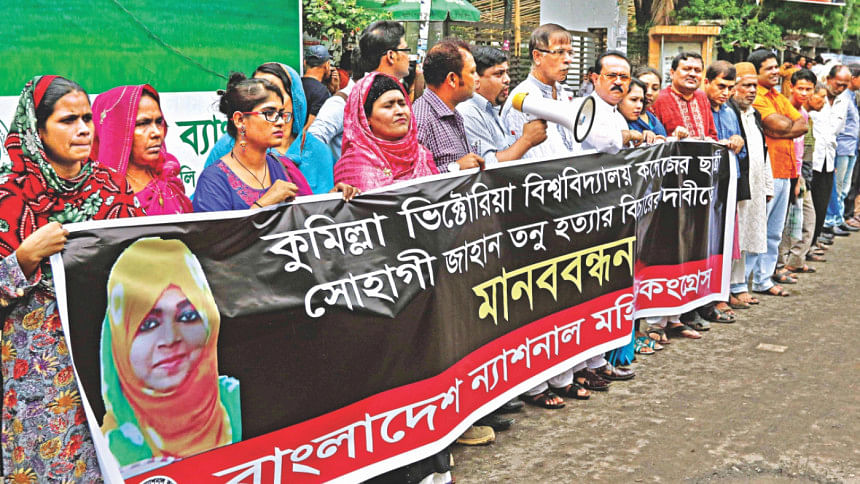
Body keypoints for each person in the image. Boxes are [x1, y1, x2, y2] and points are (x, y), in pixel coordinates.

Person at [1, 75, 140, 481]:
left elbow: (144, 261)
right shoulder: (10, 200)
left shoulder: (112, 187)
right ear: (37, 130)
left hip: (110, 368)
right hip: (42, 384)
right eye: (67, 120)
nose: (82, 129)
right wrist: (24, 258)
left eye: (87, 118)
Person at [99, 238, 240, 476]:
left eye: (187, 317)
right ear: (120, 339)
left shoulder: (241, 401)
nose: (170, 338)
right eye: (148, 324)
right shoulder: (103, 452)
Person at [193, 74, 357, 212]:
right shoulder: (213, 182)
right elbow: (215, 239)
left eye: (281, 114)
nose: (280, 122)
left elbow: (306, 217)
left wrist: (334, 199)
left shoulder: (283, 166)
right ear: (240, 120)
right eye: (269, 113)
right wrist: (264, 204)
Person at [205, 62, 336, 194]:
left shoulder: (318, 151)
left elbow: (324, 204)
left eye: (275, 92)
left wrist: (336, 197)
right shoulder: (231, 144)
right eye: (257, 92)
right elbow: (208, 197)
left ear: (295, 99)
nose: (265, 100)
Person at [747, 49, 809, 298]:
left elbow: (802, 124)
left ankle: (763, 279)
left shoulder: (777, 96)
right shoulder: (757, 96)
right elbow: (780, 123)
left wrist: (779, 131)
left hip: (786, 169)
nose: (776, 72)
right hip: (767, 172)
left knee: (774, 232)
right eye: (769, 68)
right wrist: (781, 128)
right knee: (757, 230)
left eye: (776, 67)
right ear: (756, 72)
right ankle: (744, 283)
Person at [309, 21, 413, 160]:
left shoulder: (395, 93)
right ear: (391, 56)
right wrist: (335, 172)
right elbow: (312, 141)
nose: (409, 57)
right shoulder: (343, 102)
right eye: (405, 50)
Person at [92, 84, 193, 215]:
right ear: (115, 131)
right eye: (143, 123)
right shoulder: (97, 194)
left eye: (159, 122)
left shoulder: (167, 176)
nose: (157, 133)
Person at [334, 72, 437, 191]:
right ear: (365, 118)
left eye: (402, 104)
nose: (400, 111)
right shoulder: (353, 165)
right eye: (388, 106)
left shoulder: (421, 155)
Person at [727, 62, 773, 308]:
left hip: (755, 183)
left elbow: (763, 152)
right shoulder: (729, 112)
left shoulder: (755, 115)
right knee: (734, 235)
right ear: (733, 88)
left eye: (755, 86)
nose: (752, 91)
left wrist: (767, 185)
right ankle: (728, 288)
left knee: (746, 235)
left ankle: (739, 284)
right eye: (746, 85)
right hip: (738, 184)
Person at [501, 23, 581, 161]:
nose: (568, 60)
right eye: (559, 52)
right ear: (537, 56)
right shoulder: (523, 101)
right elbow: (537, 161)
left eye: (570, 53)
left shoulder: (563, 92)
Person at [703, 61, 746, 318]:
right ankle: (708, 298)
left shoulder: (730, 111)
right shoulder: (700, 109)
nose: (726, 92)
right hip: (705, 188)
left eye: (730, 87)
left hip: (729, 187)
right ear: (707, 82)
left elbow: (742, 152)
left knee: (727, 243)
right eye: (721, 86)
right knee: (707, 244)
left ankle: (722, 293)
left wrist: (738, 142)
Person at [457, 45, 547, 164]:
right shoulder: (468, 113)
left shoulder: (491, 109)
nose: (507, 79)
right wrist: (527, 140)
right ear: (476, 79)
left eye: (507, 72)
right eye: (499, 74)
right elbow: (487, 165)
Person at [412, 39, 485, 173]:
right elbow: (411, 178)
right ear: (452, 79)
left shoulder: (453, 113)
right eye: (472, 72)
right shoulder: (422, 120)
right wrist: (455, 167)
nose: (477, 79)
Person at [779, 69, 824, 274]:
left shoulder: (804, 114)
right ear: (791, 87)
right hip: (784, 172)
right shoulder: (783, 110)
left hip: (800, 174)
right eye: (801, 88)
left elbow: (803, 150)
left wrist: (800, 177)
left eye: (809, 89)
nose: (804, 93)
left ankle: (795, 260)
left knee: (806, 219)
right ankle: (779, 265)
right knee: (784, 223)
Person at [809, 65, 850, 248]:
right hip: (812, 157)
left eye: (844, 86)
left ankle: (814, 241)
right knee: (809, 205)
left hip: (828, 157)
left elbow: (837, 131)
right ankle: (805, 245)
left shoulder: (843, 101)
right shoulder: (816, 95)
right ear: (828, 79)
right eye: (838, 84)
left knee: (822, 203)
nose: (840, 88)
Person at [582, 50, 646, 153]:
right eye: (611, 75)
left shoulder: (618, 117)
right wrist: (629, 135)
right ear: (595, 79)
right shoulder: (583, 107)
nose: (618, 82)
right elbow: (605, 143)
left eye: (624, 77)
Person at [823, 64, 860, 234]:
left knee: (844, 187)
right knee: (837, 187)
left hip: (851, 146)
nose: (841, 87)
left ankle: (838, 218)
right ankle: (831, 220)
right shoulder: (839, 97)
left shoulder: (849, 96)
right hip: (842, 147)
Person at [651, 52, 718, 141]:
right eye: (686, 69)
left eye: (697, 70)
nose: (693, 74)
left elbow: (712, 135)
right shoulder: (658, 99)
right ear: (672, 73)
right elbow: (653, 139)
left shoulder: (702, 97)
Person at [302, 45, 334, 127]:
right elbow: (311, 126)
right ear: (327, 65)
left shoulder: (295, 84)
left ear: (304, 63)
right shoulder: (322, 92)